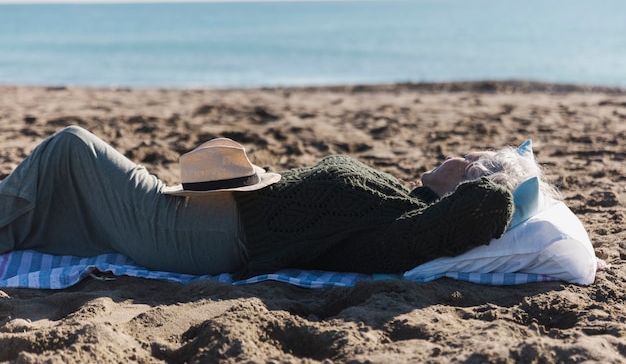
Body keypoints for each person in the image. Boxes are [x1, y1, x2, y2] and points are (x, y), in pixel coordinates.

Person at [0, 125, 556, 280]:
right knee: (75, 165)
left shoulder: (405, 225)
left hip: (202, 238)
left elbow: (477, 210)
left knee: (71, 146)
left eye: (470, 158)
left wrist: (505, 181)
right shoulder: (401, 198)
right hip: (201, 218)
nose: (459, 153)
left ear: (466, 184)